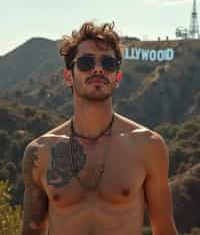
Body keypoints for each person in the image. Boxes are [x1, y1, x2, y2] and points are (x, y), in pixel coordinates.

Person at [21, 21, 178, 235]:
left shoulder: (148, 146)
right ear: (69, 76)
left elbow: (165, 230)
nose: (97, 68)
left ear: (117, 78)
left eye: (108, 63)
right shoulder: (40, 152)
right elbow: (31, 231)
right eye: (86, 62)